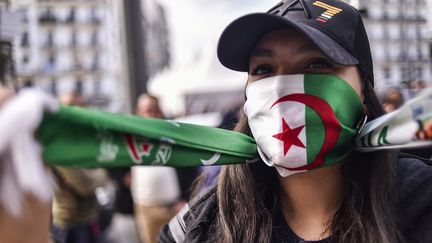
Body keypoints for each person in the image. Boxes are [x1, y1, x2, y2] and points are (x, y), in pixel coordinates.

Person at [159, 1, 432, 242]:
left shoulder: (420, 200)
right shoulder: (199, 225)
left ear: (363, 89)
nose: (280, 87)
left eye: (316, 64)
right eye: (263, 69)